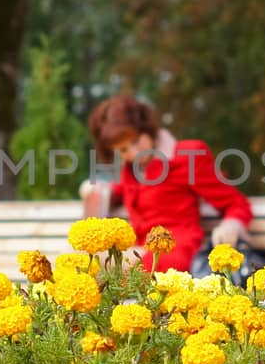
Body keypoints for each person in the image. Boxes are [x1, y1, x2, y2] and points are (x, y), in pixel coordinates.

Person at [80, 93, 253, 274]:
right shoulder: (131, 169)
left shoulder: (187, 156)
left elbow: (236, 202)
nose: (134, 151)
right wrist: (99, 190)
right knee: (83, 263)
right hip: (140, 251)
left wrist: (231, 225)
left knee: (98, 268)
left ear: (147, 129)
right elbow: (125, 191)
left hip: (174, 252)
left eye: (136, 141)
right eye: (123, 150)